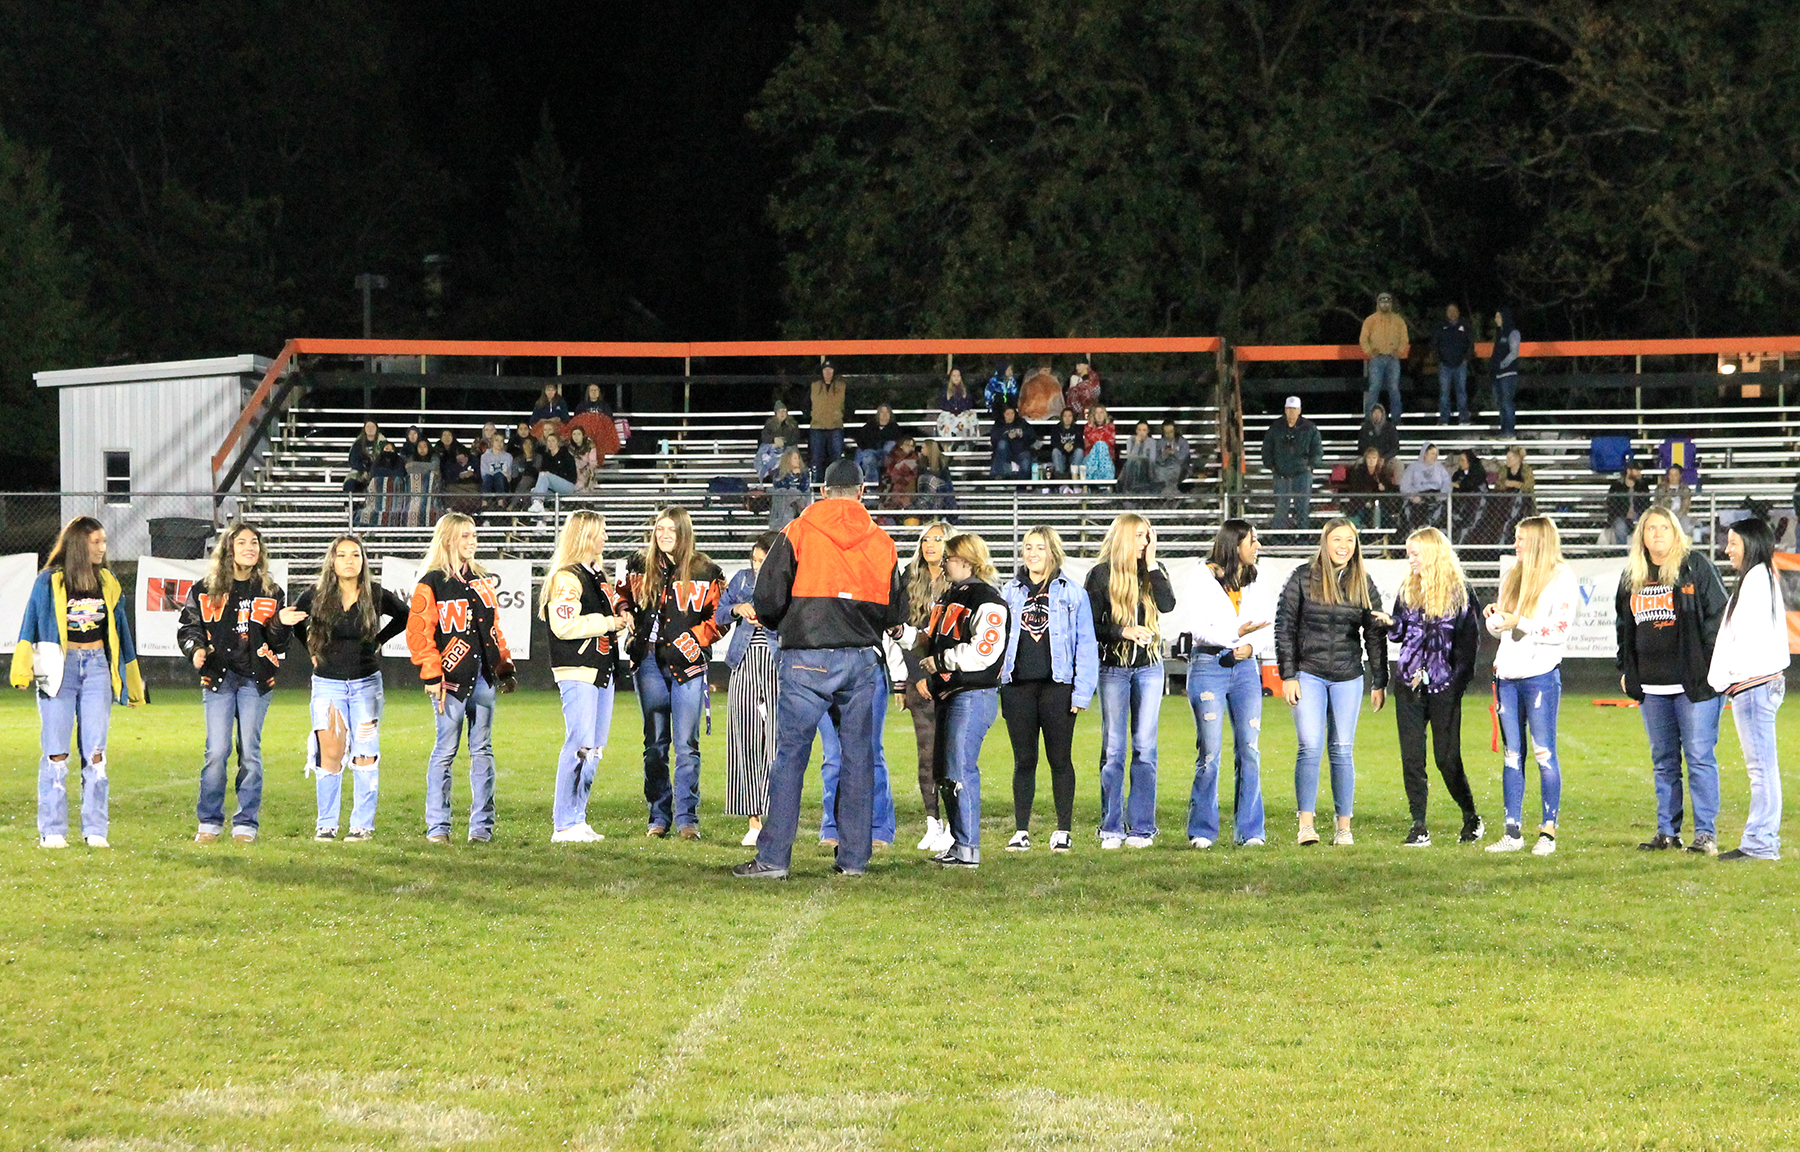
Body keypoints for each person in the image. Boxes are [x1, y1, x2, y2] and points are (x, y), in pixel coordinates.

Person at [733, 459, 907, 879]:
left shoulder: (798, 531)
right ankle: (854, 859)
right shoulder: (882, 541)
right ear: (862, 492)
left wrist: (781, 627)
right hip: (862, 658)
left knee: (791, 757)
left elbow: (767, 599)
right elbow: (896, 613)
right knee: (859, 758)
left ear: (823, 491)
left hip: (806, 658)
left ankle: (774, 858)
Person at [12, 516, 144, 849]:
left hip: (98, 666)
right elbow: (30, 623)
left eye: (103, 541)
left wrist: (132, 681)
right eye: (95, 542)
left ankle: (95, 829)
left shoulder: (109, 581)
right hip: (59, 669)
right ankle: (53, 831)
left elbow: (122, 632)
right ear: (77, 545)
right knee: (56, 752)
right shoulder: (49, 581)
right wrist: (22, 667)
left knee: (96, 753)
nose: (102, 548)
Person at [176, 523, 298, 845]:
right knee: (217, 751)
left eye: (254, 542)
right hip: (218, 679)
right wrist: (196, 649)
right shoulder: (204, 589)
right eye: (241, 542)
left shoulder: (271, 592)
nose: (249, 547)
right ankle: (209, 822)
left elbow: (279, 644)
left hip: (255, 681)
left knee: (250, 754)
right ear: (227, 549)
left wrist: (281, 625)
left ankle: (246, 824)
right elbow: (189, 627)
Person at [1615, 507, 1728, 855]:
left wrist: (1708, 663)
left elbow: (1719, 615)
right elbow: (1623, 628)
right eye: (1651, 528)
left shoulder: (1695, 567)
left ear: (1676, 532)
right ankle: (1668, 831)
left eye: (1665, 527)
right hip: (1652, 686)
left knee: (1698, 757)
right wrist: (1626, 668)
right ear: (1642, 535)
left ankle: (1705, 834)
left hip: (1693, 683)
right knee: (1663, 760)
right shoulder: (1632, 574)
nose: (1658, 534)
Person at [1275, 518, 1388, 846]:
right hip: (1308, 673)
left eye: (1350, 541)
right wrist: (1288, 675)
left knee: (1341, 749)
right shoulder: (1301, 577)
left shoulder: (1363, 582)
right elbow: (1284, 627)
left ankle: (1344, 828)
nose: (1343, 546)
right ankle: (1306, 826)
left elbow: (1375, 634)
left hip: (1348, 676)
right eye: (1337, 539)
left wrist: (1379, 681)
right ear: (1324, 543)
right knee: (1309, 746)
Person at [407, 513, 518, 844]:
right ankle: (438, 827)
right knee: (445, 751)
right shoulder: (431, 583)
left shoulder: (482, 579)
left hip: (483, 679)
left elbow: (494, 629)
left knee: (482, 750)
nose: (472, 541)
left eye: (473, 535)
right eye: (465, 536)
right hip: (449, 683)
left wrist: (504, 667)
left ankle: (481, 828)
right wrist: (431, 673)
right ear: (448, 541)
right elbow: (418, 634)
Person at [292, 535, 408, 843]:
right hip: (328, 683)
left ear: (363, 561)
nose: (348, 560)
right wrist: (309, 648)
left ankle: (362, 825)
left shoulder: (375, 594)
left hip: (366, 684)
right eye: (341, 555)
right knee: (329, 754)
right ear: (332, 560)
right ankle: (326, 824)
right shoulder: (315, 595)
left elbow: (406, 616)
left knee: (365, 753)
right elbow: (294, 620)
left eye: (355, 555)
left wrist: (379, 640)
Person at [625, 507, 725, 840]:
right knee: (655, 744)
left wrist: (695, 639)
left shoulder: (706, 570)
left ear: (684, 532)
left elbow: (721, 617)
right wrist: (625, 613)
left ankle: (686, 818)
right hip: (650, 662)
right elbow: (621, 597)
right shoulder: (639, 566)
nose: (664, 535)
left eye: (671, 529)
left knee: (687, 744)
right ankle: (658, 815)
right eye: (659, 529)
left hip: (689, 665)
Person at [911, 531, 1009, 869]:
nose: (944, 562)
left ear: (966, 560)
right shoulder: (951, 596)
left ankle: (968, 847)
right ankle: (959, 843)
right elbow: (931, 639)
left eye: (950, 557)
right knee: (945, 770)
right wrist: (905, 635)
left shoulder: (988, 600)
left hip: (973, 693)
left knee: (960, 769)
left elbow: (985, 651)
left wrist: (940, 663)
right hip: (951, 693)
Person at [998, 526, 1098, 853]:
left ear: (1053, 551)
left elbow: (1086, 644)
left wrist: (1082, 692)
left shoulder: (1072, 592)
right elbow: (997, 640)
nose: (1032, 554)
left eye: (1039, 548)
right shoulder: (1009, 592)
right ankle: (1021, 830)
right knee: (1024, 759)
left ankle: (1063, 830)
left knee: (1059, 759)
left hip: (1058, 687)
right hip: (1018, 688)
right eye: (1028, 547)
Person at [1484, 516, 1579, 854]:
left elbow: (1560, 631)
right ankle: (1512, 831)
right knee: (1512, 754)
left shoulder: (1562, 579)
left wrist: (1518, 620)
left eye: (1521, 539)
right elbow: (1503, 630)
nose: (1516, 545)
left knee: (1543, 753)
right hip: (1508, 676)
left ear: (1539, 541)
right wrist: (1495, 618)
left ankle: (1548, 831)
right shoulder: (1513, 575)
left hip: (1539, 676)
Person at [1387, 527, 1483, 847]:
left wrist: (1456, 686)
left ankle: (1470, 815)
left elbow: (1469, 647)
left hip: (1444, 687)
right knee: (1412, 757)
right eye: (1408, 553)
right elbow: (1397, 634)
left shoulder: (1461, 592)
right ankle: (1419, 824)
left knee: (1446, 758)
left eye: (1415, 553)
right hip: (1409, 683)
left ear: (1432, 553)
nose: (1409, 559)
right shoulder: (1408, 588)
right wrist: (1389, 623)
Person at [540, 511, 631, 843]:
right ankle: (564, 823)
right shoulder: (567, 578)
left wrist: (616, 621)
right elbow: (564, 626)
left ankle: (578, 818)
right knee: (579, 744)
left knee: (593, 748)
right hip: (579, 669)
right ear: (584, 537)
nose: (605, 538)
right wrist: (609, 622)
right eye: (600, 532)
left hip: (602, 668)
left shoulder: (596, 575)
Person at [1087, 512, 1176, 849]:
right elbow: (1091, 625)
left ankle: (1142, 827)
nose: (1145, 542)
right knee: (1113, 750)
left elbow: (1167, 605)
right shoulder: (1101, 574)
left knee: (1145, 747)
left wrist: (1152, 564)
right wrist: (1122, 631)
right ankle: (1111, 826)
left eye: (1148, 535)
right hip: (1113, 668)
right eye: (1139, 536)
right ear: (1124, 537)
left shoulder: (1154, 571)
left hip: (1150, 668)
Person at [1184, 520, 1273, 849]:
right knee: (1210, 752)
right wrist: (1238, 635)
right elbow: (1200, 629)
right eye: (1253, 540)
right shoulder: (1202, 576)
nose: (1257, 545)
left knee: (1249, 749)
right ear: (1235, 544)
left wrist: (1252, 647)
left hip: (1246, 668)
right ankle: (1203, 830)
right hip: (1209, 664)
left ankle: (1250, 831)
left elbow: (1263, 623)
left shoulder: (1257, 576)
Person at [1708, 518, 1787, 861]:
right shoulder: (1760, 577)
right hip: (1756, 684)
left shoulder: (1756, 580)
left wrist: (1724, 678)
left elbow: (1745, 639)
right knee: (1762, 768)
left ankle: (1761, 843)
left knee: (1762, 770)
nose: (1727, 550)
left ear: (1751, 544)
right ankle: (1761, 840)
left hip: (1754, 685)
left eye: (1733, 543)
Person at [718, 532, 781, 847]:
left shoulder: (790, 580)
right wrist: (737, 609)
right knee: (743, 736)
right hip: (743, 660)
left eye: (763, 561)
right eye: (754, 560)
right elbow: (718, 612)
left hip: (779, 661)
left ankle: (778, 816)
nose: (757, 567)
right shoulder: (742, 579)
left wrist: (772, 620)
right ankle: (753, 819)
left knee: (777, 741)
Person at [901, 522, 952, 852]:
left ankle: (954, 822)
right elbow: (904, 635)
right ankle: (933, 822)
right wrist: (915, 676)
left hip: (952, 679)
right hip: (918, 676)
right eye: (926, 539)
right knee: (926, 753)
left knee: (951, 753)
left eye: (938, 539)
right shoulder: (910, 577)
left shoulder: (959, 581)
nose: (930, 545)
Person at [1261, 396, 1323, 530]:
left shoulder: (1309, 428)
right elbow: (1266, 448)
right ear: (1285, 410)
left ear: (1299, 410)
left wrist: (1310, 466)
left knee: (1302, 506)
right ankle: (1279, 537)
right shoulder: (1276, 428)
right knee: (1281, 507)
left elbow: (1317, 451)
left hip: (1302, 474)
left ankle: (1303, 535)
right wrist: (1272, 466)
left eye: (1294, 409)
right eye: (1289, 409)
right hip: (1281, 473)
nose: (1291, 412)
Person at [1360, 291, 1409, 419]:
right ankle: (1369, 420)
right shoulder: (1370, 320)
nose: (1385, 304)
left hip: (1393, 359)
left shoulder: (1398, 320)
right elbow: (1363, 338)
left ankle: (1396, 420)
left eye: (1387, 301)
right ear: (1378, 303)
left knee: (1394, 389)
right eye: (1382, 301)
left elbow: (1404, 338)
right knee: (1374, 389)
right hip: (1376, 359)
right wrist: (1370, 352)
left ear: (1391, 303)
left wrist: (1398, 351)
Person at [1343, 445, 1398, 532]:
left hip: (1379, 505)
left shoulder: (1382, 473)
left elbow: (1390, 490)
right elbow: (1355, 490)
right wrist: (1365, 501)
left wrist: (1384, 488)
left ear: (1377, 459)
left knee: (1384, 516)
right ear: (1365, 459)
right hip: (1361, 505)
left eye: (1374, 458)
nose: (1371, 460)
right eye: (1369, 458)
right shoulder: (1358, 472)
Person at [1434, 303, 1473, 424]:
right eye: (1449, 311)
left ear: (1458, 312)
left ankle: (1464, 419)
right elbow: (1434, 344)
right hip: (1445, 365)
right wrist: (1439, 359)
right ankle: (1444, 419)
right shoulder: (1440, 327)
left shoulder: (1465, 327)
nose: (1452, 313)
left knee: (1461, 392)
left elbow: (1470, 344)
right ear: (1446, 313)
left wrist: (1466, 358)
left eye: (1454, 310)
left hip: (1460, 365)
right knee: (1444, 394)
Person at [854, 403, 911, 486]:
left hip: (887, 457)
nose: (884, 415)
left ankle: (871, 485)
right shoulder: (869, 427)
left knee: (890, 444)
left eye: (887, 412)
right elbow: (861, 440)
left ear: (890, 415)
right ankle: (872, 487)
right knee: (869, 459)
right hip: (871, 455)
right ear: (878, 414)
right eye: (882, 412)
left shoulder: (895, 428)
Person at [1400, 443, 1450, 535]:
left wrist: (1440, 497)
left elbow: (1447, 484)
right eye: (1432, 454)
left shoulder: (1441, 469)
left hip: (1435, 499)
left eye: (1436, 454)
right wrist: (1413, 496)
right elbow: (1404, 486)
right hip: (1418, 500)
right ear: (1425, 454)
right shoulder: (1413, 468)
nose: (1435, 457)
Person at [809, 361, 846, 481]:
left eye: (830, 370)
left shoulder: (842, 386)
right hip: (817, 427)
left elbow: (850, 405)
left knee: (837, 458)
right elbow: (804, 404)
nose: (828, 372)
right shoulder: (814, 386)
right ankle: (816, 486)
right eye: (825, 370)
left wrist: (842, 416)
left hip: (836, 427)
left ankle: (837, 483)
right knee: (816, 459)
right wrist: (811, 415)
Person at [529, 431, 578, 512]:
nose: (550, 443)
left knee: (545, 475)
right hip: (553, 489)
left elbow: (572, 476)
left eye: (553, 441)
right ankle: (540, 519)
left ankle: (538, 502)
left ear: (558, 443)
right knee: (534, 491)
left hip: (568, 486)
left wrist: (552, 476)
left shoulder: (566, 455)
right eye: (548, 441)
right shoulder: (546, 457)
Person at [1490, 308, 1521, 434]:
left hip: (1508, 373)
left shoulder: (1513, 332)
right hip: (1498, 374)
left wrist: (1502, 365)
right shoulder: (1500, 333)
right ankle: (1504, 430)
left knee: (1507, 403)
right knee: (1501, 403)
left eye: (1498, 317)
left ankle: (1509, 431)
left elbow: (1514, 353)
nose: (1496, 320)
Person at [1607, 460, 1652, 545]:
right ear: (1629, 471)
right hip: (1621, 516)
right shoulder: (1617, 487)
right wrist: (1625, 514)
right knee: (1620, 526)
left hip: (1638, 515)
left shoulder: (1642, 487)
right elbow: (1612, 505)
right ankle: (1621, 553)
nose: (1640, 473)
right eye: (1637, 470)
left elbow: (1646, 504)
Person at [988, 401, 1034, 479]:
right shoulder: (999, 425)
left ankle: (1021, 488)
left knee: (1026, 461)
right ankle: (1006, 470)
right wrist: (1007, 436)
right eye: (1007, 414)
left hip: (1020, 451)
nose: (1010, 416)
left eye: (1012, 413)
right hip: (1004, 454)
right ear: (1003, 415)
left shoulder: (1022, 423)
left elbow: (1032, 437)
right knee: (1002, 444)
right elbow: (994, 440)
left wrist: (1021, 435)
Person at [768, 446, 810, 530]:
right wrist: (790, 477)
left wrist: (797, 476)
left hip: (800, 500)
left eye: (798, 458)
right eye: (795, 458)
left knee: (794, 492)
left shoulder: (804, 473)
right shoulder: (779, 473)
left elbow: (804, 487)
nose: (797, 460)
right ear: (788, 459)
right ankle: (786, 522)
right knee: (783, 492)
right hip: (785, 500)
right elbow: (778, 486)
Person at [757, 400, 801, 480]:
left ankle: (791, 476)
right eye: (779, 411)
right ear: (776, 413)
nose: (782, 413)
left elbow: (795, 437)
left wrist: (784, 442)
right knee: (764, 451)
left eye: (784, 411)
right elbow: (764, 436)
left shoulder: (793, 424)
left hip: (788, 448)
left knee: (792, 451)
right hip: (774, 448)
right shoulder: (770, 424)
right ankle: (766, 477)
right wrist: (774, 440)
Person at [344, 421, 393, 493]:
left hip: (378, 474)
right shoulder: (358, 443)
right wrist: (363, 470)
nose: (370, 429)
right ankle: (353, 503)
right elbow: (353, 461)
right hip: (361, 474)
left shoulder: (383, 443)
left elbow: (389, 459)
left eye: (373, 427)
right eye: (368, 427)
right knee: (350, 484)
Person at [1355, 404, 1400, 480]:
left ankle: (1398, 488)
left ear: (1383, 414)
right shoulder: (1365, 427)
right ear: (1371, 414)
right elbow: (1361, 446)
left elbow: (1395, 447)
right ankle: (1359, 488)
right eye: (1374, 413)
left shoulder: (1390, 427)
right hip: (1369, 458)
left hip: (1386, 459)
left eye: (1379, 413)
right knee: (1358, 464)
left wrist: (1384, 458)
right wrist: (1370, 456)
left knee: (1399, 465)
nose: (1377, 415)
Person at [935, 369, 980, 442]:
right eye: (954, 376)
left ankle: (968, 444)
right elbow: (943, 405)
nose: (956, 378)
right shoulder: (945, 391)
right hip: (950, 416)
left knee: (970, 420)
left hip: (963, 415)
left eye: (958, 376)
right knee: (946, 421)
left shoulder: (965, 390)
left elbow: (969, 405)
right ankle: (948, 446)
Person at [915, 440, 956, 512]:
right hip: (928, 491)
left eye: (923, 448)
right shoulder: (923, 462)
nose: (921, 450)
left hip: (941, 490)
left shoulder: (941, 461)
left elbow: (944, 480)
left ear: (929, 448)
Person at [882, 436, 920, 510]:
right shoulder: (891, 458)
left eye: (912, 446)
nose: (911, 448)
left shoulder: (916, 459)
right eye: (907, 445)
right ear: (901, 446)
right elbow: (889, 474)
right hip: (891, 488)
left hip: (908, 489)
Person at [1082, 404, 1118, 482]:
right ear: (1093, 415)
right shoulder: (1088, 427)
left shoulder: (1111, 427)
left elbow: (1109, 442)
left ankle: (1099, 482)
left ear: (1105, 414)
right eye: (1096, 413)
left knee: (1101, 446)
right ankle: (1105, 482)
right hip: (1090, 458)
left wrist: (1098, 441)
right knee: (1100, 445)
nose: (1099, 415)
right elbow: (1090, 441)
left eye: (1101, 412)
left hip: (1106, 459)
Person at [1118, 421, 1157, 492]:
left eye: (1144, 430)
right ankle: (1130, 490)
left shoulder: (1152, 442)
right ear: (1136, 431)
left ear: (1148, 431)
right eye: (1139, 430)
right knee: (1133, 463)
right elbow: (1130, 458)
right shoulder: (1131, 440)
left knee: (1140, 463)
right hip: (1132, 467)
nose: (1141, 433)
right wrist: (1137, 444)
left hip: (1146, 467)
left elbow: (1152, 459)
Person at [1654, 464, 1694, 534]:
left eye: (1675, 475)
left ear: (1680, 476)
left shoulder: (1685, 489)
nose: (1672, 477)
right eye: (1671, 475)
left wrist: (1676, 518)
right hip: (1664, 515)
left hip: (1680, 516)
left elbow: (1685, 506)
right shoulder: (1661, 488)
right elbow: (1658, 504)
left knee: (1686, 523)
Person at [1155, 419, 1192, 494]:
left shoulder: (1182, 442)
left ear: (1175, 431)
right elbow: (1157, 459)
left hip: (1180, 470)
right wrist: (1164, 454)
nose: (1168, 435)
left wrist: (1174, 453)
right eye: (1166, 432)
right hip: (1164, 470)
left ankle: (1171, 493)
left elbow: (1184, 458)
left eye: (1171, 432)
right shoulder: (1160, 443)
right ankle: (1171, 494)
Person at [1050, 408, 1086, 479]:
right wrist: (1064, 447)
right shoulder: (1056, 428)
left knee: (1080, 451)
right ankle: (1059, 476)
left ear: (1073, 417)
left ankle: (1074, 474)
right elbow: (1054, 443)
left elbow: (1081, 443)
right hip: (1062, 455)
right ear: (1062, 418)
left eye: (1070, 416)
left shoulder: (1077, 428)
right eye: (1065, 416)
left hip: (1073, 455)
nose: (1067, 418)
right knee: (1055, 451)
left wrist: (1073, 447)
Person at [567, 425, 599, 490]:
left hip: (587, 472)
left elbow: (592, 462)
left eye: (578, 434)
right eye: (574, 434)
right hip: (574, 472)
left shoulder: (590, 445)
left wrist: (587, 472)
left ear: (583, 435)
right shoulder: (569, 447)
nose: (576, 436)